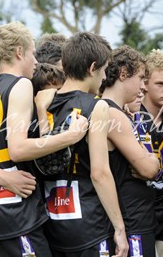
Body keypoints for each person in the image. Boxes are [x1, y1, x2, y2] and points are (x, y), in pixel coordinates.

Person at [0, 21, 89, 257]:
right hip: (15, 208)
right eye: (33, 53)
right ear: (19, 52)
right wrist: (69, 136)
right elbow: (18, 149)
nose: (36, 61)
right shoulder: (20, 84)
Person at [36, 32, 129, 257]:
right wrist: (119, 227)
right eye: (105, 69)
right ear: (92, 67)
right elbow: (99, 173)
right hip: (89, 225)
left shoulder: (41, 100)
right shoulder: (96, 107)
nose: (105, 76)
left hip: (50, 222)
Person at [100, 45, 160, 257]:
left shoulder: (115, 111)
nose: (144, 87)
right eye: (141, 78)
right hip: (131, 219)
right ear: (123, 73)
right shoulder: (112, 113)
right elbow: (147, 169)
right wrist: (153, 160)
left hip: (134, 217)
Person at [139, 49, 163, 257]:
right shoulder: (130, 115)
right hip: (137, 207)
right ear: (144, 83)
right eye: (160, 84)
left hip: (162, 206)